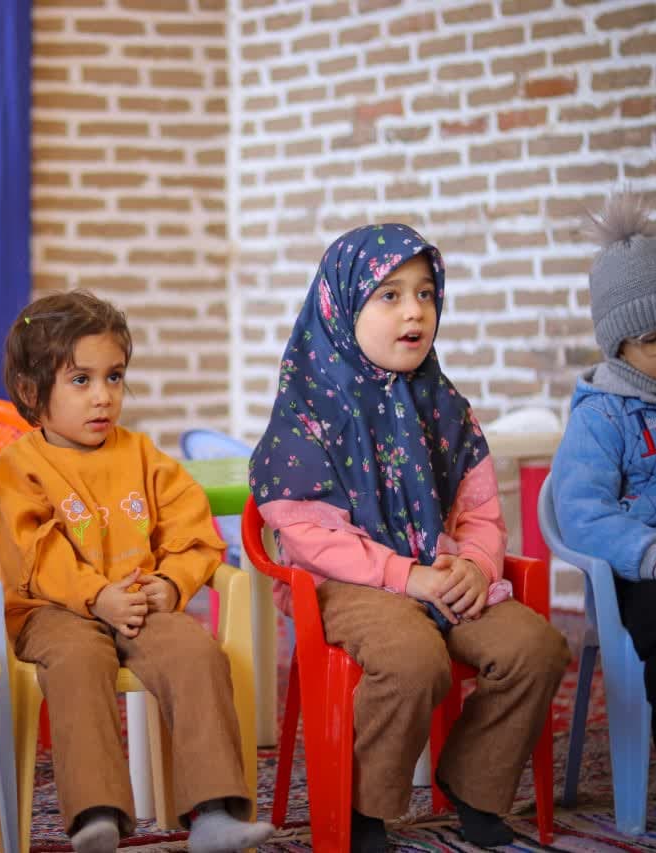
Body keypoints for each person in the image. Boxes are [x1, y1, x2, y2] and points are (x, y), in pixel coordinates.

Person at [249, 224, 569, 852]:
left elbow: (481, 511)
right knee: (412, 659)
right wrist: (405, 576)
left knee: (536, 649)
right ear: (342, 306)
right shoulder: (307, 411)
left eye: (425, 293)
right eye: (390, 295)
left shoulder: (447, 407)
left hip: (443, 574)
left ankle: (473, 783)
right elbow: (309, 534)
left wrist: (476, 565)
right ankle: (363, 806)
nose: (415, 311)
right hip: (346, 584)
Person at [0, 290, 274, 853]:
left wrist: (170, 583)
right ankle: (96, 816)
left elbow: (193, 531)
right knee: (78, 662)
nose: (103, 396)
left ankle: (213, 813)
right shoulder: (19, 466)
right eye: (81, 380)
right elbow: (35, 553)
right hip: (54, 612)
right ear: (30, 391)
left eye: (114, 377)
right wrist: (97, 597)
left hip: (142, 603)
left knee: (196, 653)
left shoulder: (143, 455)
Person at [551, 192, 656, 822]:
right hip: (641, 573)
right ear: (618, 346)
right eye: (653, 336)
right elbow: (582, 513)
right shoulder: (604, 414)